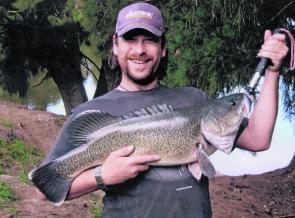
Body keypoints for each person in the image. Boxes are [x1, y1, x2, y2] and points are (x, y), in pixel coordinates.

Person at [38, 2, 288, 217]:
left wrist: (273, 72)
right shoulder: (90, 113)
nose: (139, 50)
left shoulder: (194, 99)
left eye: (149, 40)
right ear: (115, 45)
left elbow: (258, 139)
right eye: (130, 39)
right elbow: (45, 189)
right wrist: (102, 175)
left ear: (163, 47)